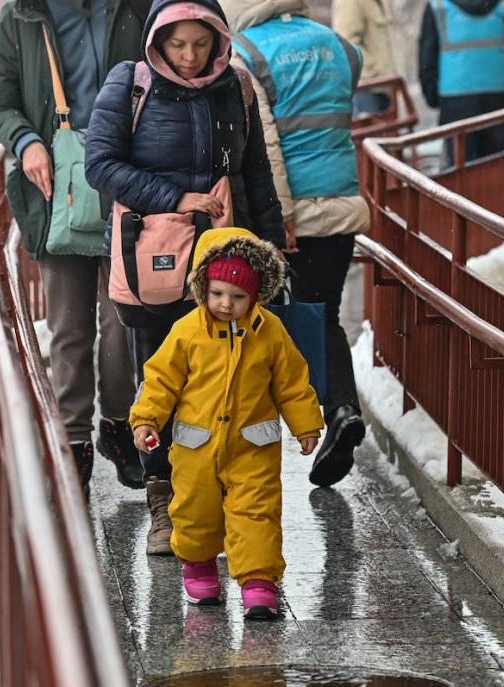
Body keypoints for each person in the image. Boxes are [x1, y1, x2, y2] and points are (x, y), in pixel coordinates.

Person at [86, 0, 285, 554]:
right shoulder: (129, 85)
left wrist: (270, 251)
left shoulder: (236, 86)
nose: (191, 56)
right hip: (153, 261)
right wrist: (174, 197)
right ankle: (163, 506)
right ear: (157, 40)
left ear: (219, 38)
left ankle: (214, 503)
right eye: (179, 44)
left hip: (223, 263)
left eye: (201, 43)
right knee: (161, 383)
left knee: (223, 380)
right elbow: (100, 164)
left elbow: (255, 172)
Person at [0, 0, 150, 494]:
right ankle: (72, 440)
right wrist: (26, 142)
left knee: (124, 318)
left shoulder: (135, 8)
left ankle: (118, 426)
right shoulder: (24, 14)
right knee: (68, 326)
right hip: (57, 187)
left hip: (126, 181)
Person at [129, 227, 324, 619]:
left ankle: (258, 582)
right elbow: (161, 379)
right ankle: (199, 566)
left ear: (256, 297)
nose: (225, 303)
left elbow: (291, 381)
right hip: (195, 448)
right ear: (203, 288)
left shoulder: (269, 332)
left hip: (253, 447)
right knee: (194, 513)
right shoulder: (187, 332)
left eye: (238, 297)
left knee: (256, 513)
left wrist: (306, 424)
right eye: (216, 294)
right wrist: (146, 419)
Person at [223, 0, 371, 487]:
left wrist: (280, 216)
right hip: (343, 201)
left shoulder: (247, 53)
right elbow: (355, 73)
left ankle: (330, 413)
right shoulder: (335, 45)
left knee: (300, 316)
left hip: (297, 212)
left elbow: (267, 145)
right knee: (324, 310)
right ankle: (340, 412)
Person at [417, 0, 504, 164]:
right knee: (497, 167)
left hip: (454, 102)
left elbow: (426, 55)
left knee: (459, 170)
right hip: (496, 98)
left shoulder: (438, 5)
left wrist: (433, 97)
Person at [332, 0, 398, 116]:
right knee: (372, 132)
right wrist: (374, 69)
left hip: (386, 86)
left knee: (389, 132)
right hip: (365, 89)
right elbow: (345, 43)